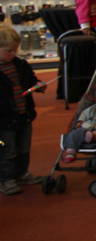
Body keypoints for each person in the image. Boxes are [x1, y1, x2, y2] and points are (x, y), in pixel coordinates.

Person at [0, 26, 45, 195]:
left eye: (15, 50)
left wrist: (38, 86)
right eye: (8, 51)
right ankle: (6, 179)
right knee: (7, 150)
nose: (13, 53)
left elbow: (31, 80)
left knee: (24, 147)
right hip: (4, 120)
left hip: (24, 114)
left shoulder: (20, 65)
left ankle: (22, 173)